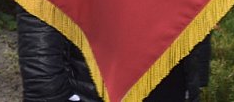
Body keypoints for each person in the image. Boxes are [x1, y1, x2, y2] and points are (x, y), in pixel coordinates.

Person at [16, 7, 212, 102]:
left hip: (171, 83)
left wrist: (197, 75)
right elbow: (39, 1)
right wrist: (45, 94)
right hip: (92, 86)